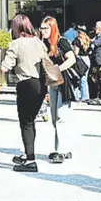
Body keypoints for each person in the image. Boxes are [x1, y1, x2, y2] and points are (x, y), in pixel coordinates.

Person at [0, 14, 48, 172]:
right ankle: (28, 155)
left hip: (25, 84)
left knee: (26, 123)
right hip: (41, 84)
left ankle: (30, 160)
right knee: (31, 120)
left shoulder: (16, 44)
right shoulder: (38, 42)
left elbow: (5, 67)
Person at [38, 16, 78, 164]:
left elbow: (72, 59)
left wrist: (57, 69)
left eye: (46, 28)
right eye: (41, 28)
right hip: (53, 83)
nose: (43, 31)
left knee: (61, 117)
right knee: (54, 117)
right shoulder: (45, 44)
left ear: (53, 28)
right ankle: (62, 149)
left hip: (64, 83)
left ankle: (60, 150)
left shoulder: (61, 41)